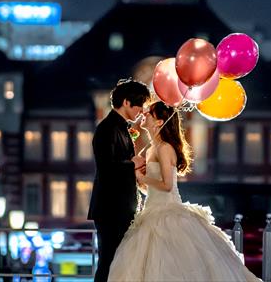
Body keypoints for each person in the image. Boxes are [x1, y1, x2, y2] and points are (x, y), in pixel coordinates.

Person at [108, 100, 259, 282]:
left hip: (167, 213)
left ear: (159, 122)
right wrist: (140, 182)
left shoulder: (165, 148)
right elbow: (154, 190)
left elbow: (167, 186)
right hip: (152, 210)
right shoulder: (152, 149)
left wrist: (141, 177)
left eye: (149, 113)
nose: (144, 114)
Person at [87, 79, 149, 282]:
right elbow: (106, 167)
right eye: (139, 104)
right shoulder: (107, 128)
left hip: (121, 207)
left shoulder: (121, 128)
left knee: (119, 261)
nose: (141, 110)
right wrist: (133, 163)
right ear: (126, 102)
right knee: (108, 261)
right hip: (111, 208)